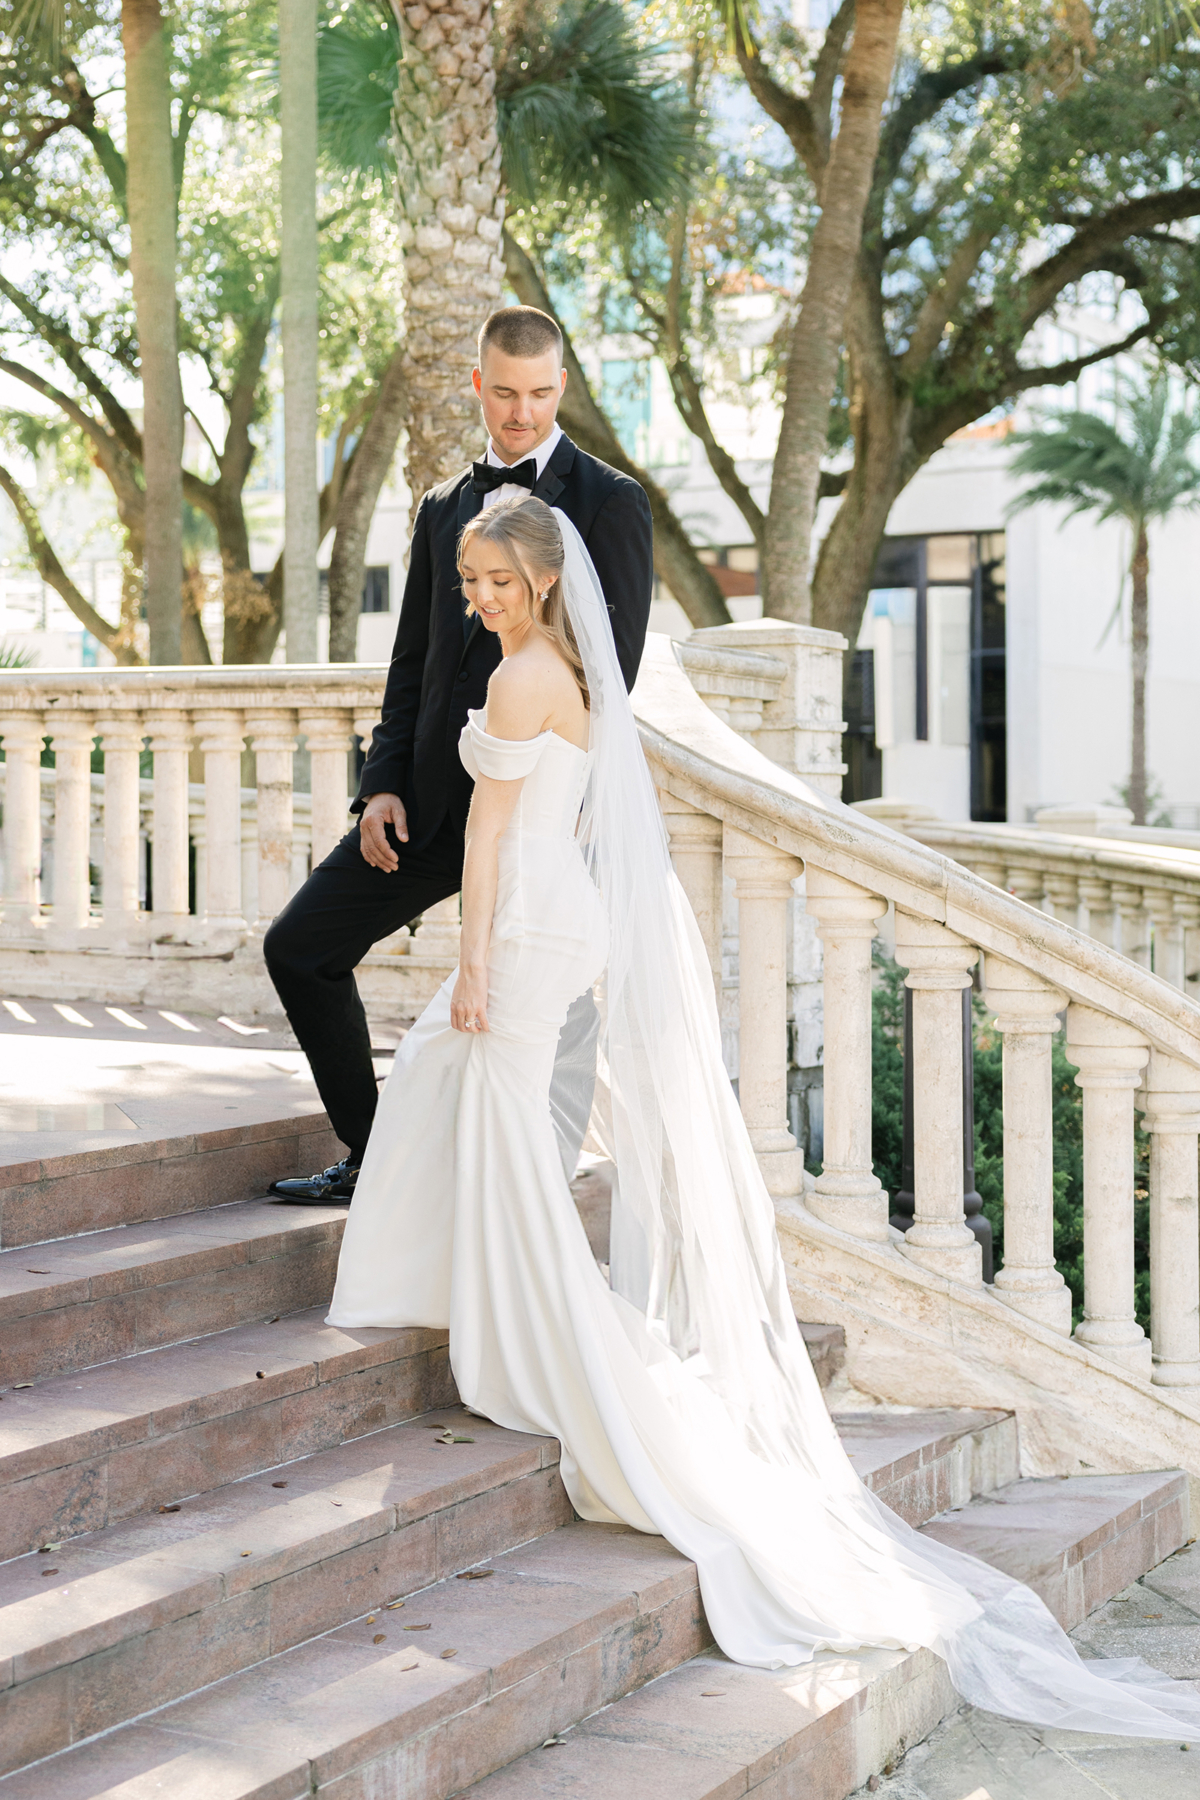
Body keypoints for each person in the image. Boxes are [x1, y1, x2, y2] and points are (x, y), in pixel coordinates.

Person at [328, 493, 1200, 1739]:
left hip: (521, 923)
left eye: (492, 582)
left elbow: (491, 838)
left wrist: (467, 960)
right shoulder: (570, 666)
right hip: (562, 918)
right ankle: (485, 1309)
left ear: (538, 582)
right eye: (469, 582)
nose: (477, 600)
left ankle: (533, 1338)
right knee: (480, 1117)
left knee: (469, 1105)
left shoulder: (525, 677)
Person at [264, 306, 652, 1203]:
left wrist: (557, 809)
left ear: (564, 387)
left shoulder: (612, 503)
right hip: (435, 805)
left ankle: (533, 1199)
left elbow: (611, 677)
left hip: (540, 817)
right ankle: (374, 1160)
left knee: (552, 1013)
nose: (523, 413)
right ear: (478, 385)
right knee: (300, 947)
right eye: (506, 393)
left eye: (542, 394)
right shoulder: (442, 506)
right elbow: (413, 665)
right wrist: (381, 786)